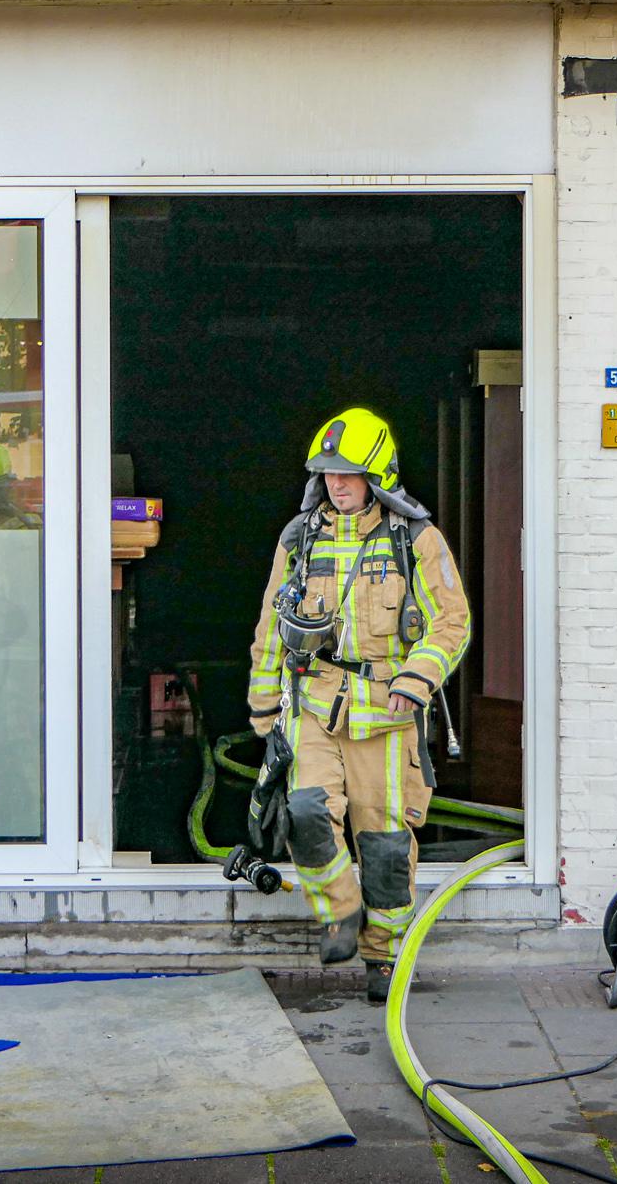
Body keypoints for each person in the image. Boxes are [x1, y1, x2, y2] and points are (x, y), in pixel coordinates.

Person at [247, 408, 472, 1004]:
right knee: (303, 811)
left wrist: (417, 679)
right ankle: (340, 912)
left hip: (388, 716)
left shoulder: (416, 538)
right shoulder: (300, 538)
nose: (336, 485)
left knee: (386, 844)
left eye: (348, 474)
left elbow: (452, 621)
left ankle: (382, 958)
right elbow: (273, 623)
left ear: (379, 475)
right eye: (327, 475)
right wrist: (264, 707)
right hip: (315, 705)